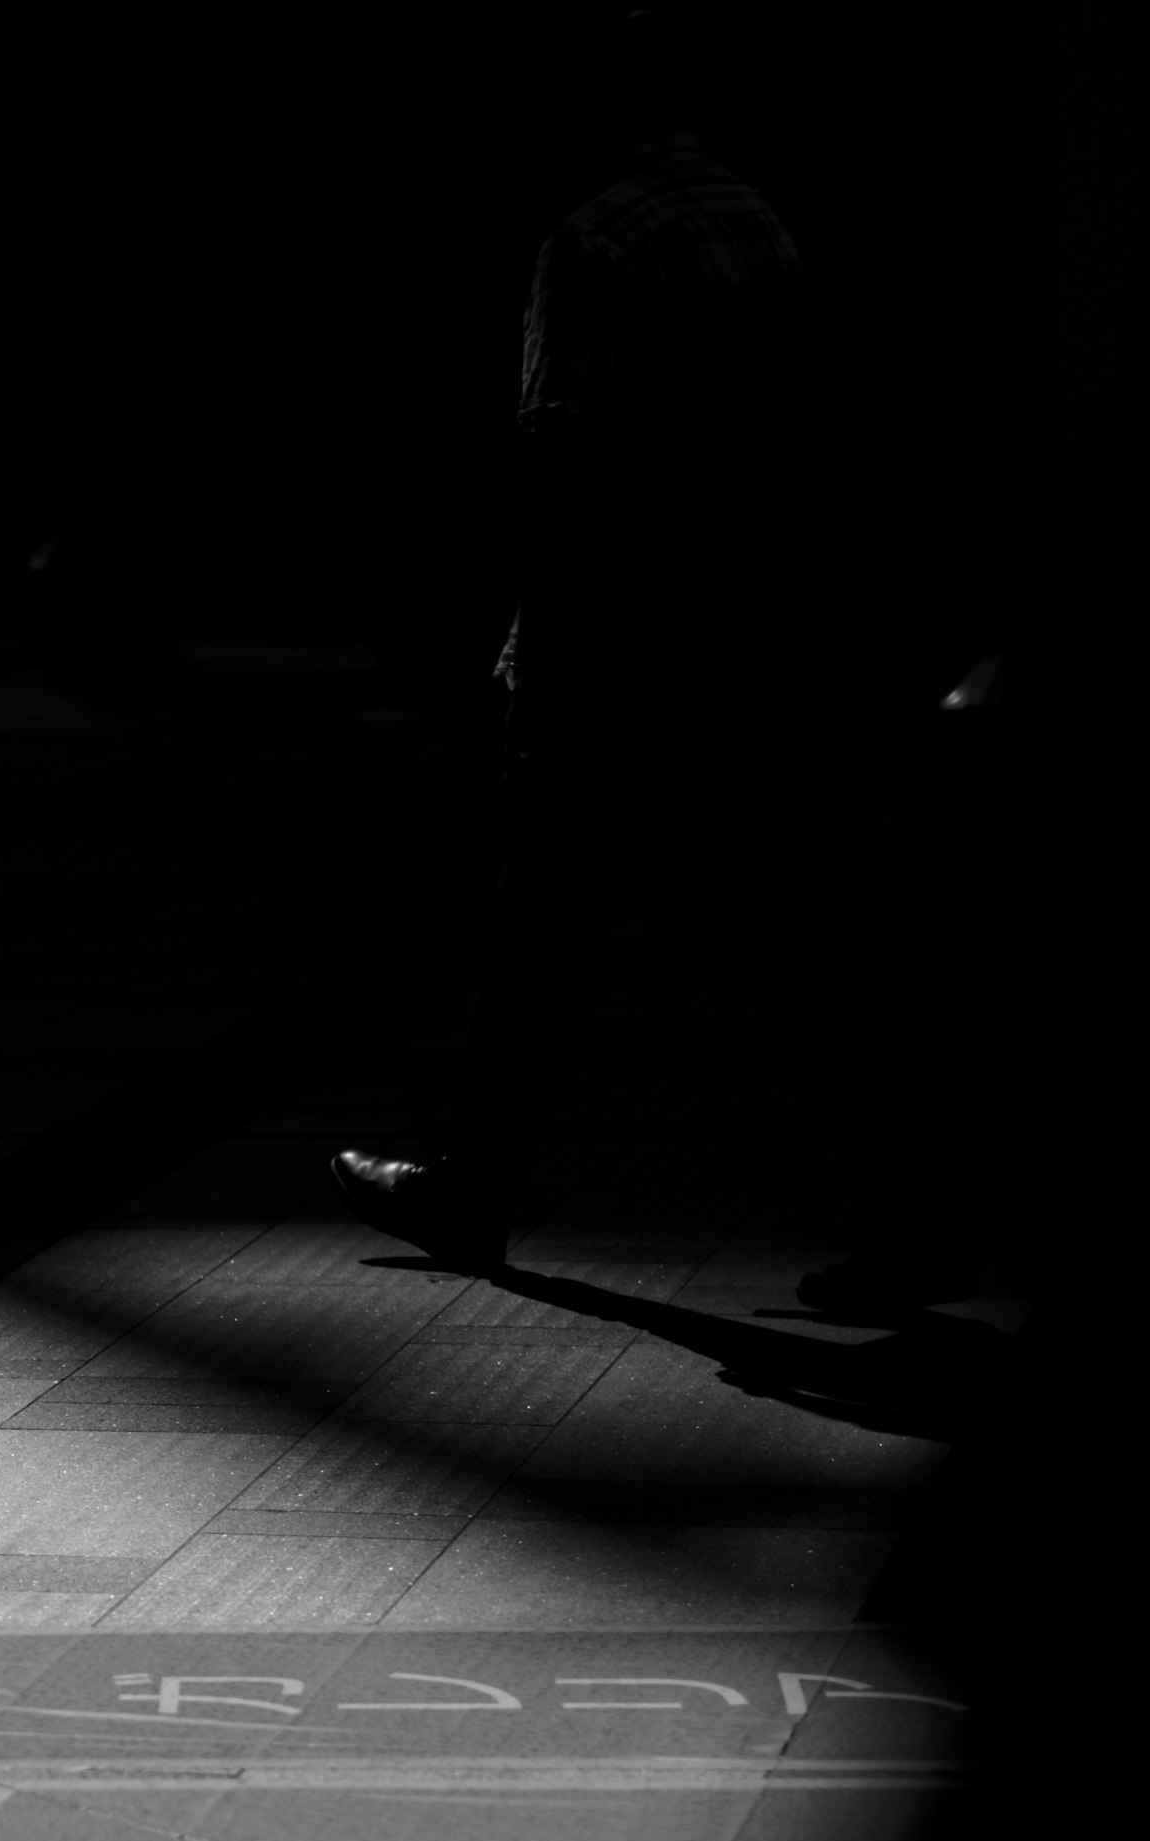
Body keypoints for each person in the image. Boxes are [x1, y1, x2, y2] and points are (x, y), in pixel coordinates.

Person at [330, 8, 975, 1313]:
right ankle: (913, 1211)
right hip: (750, 633)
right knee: (813, 933)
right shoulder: (746, 210)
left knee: (541, 933)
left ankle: (474, 1189)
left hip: (621, 656)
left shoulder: (594, 241)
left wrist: (534, 662)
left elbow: (565, 467)